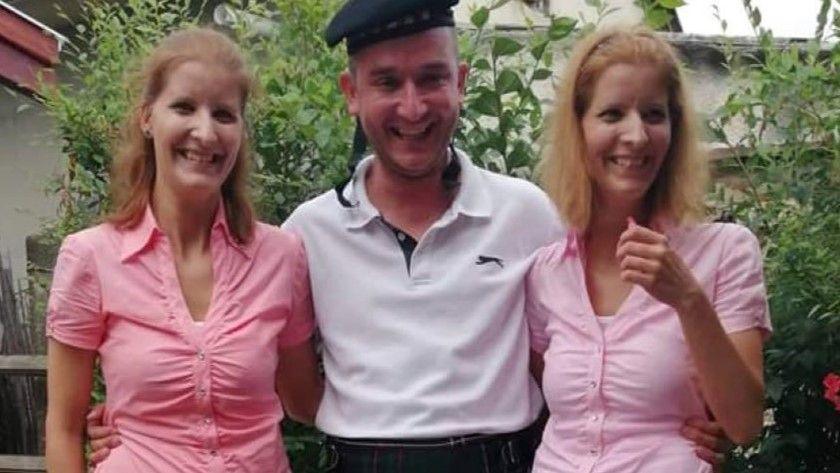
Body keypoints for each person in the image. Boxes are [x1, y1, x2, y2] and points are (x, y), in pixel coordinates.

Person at [87, 3, 730, 471]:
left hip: (500, 461)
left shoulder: (529, 215)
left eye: (431, 77)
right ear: (351, 94)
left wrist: (679, 425)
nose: (413, 107)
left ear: (462, 82)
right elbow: (287, 387)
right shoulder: (307, 234)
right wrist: (146, 431)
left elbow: (576, 348)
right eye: (387, 82)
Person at [45, 27, 322, 472]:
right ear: (147, 117)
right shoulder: (90, 258)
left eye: (225, 115)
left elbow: (306, 401)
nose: (205, 132)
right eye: (184, 107)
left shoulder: (282, 257)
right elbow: (62, 428)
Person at [527, 26, 771, 472]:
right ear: (578, 127)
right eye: (612, 114)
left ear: (675, 130)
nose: (637, 135)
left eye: (654, 115)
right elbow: (567, 409)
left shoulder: (725, 252)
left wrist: (688, 299)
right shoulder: (546, 270)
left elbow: (744, 423)